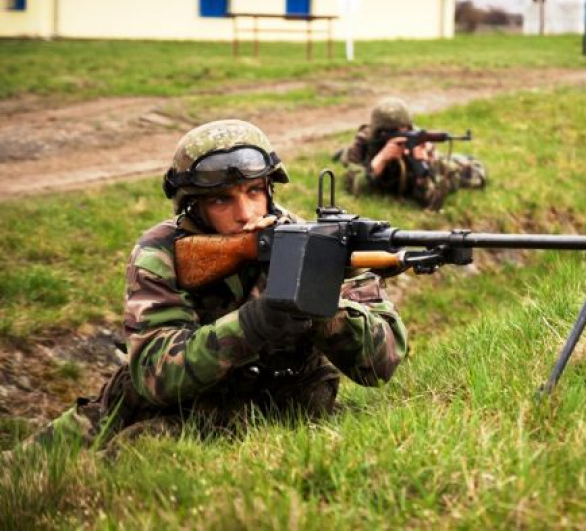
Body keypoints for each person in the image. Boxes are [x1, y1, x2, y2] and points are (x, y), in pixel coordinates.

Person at [20, 119, 408, 453]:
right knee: (25, 472)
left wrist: (321, 305)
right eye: (222, 199)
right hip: (145, 413)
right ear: (194, 206)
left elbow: (381, 364)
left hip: (261, 418)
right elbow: (156, 376)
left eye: (254, 191)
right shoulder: (162, 252)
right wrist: (255, 323)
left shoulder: (311, 239)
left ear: (270, 189)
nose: (245, 213)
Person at [339, 97, 486, 211]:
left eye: (404, 129)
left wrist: (424, 165)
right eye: (393, 131)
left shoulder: (414, 143)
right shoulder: (365, 142)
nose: (401, 134)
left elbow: (432, 202)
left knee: (473, 172)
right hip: (375, 160)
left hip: (456, 167)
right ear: (379, 132)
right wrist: (381, 160)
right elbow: (354, 185)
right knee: (344, 155)